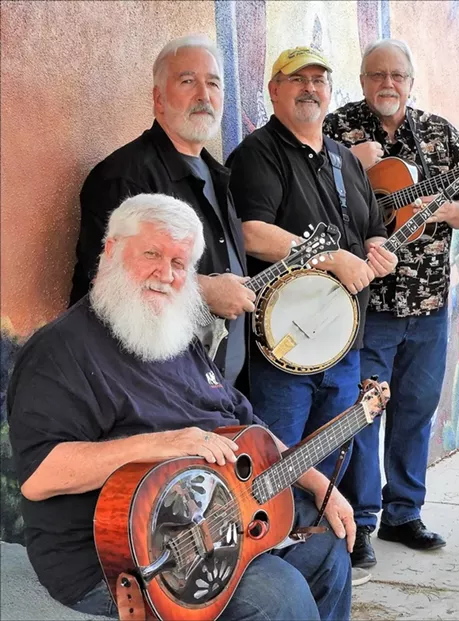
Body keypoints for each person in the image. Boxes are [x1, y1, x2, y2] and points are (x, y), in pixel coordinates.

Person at [8, 194, 354, 620]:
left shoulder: (173, 334)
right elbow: (40, 477)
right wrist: (163, 444)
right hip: (118, 556)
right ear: (111, 250)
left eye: (179, 263)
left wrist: (319, 484)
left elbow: (245, 425)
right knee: (278, 595)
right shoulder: (59, 351)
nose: (166, 274)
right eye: (152, 254)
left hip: (217, 517)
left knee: (327, 545)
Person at [322, 39, 459, 569]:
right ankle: (361, 521)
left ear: (411, 81)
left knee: (415, 409)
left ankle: (404, 512)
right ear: (362, 80)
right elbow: (317, 196)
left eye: (397, 75)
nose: (387, 83)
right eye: (376, 74)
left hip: (429, 300)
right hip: (367, 305)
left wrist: (435, 212)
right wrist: (355, 164)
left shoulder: (440, 134)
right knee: (362, 414)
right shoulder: (337, 130)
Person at [227, 48, 397, 510]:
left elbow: (372, 227)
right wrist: (333, 257)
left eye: (319, 80)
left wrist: (378, 250)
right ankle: (276, 545)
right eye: (297, 79)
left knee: (331, 465)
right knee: (276, 466)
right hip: (284, 349)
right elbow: (250, 232)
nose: (310, 88)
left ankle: (323, 543)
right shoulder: (258, 154)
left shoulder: (344, 159)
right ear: (274, 90)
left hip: (343, 344)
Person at [70, 34, 255, 386]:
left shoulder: (217, 175)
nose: (203, 95)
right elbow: (103, 280)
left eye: (213, 83)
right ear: (158, 99)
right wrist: (204, 292)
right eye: (187, 81)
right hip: (152, 391)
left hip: (216, 390)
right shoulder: (123, 177)